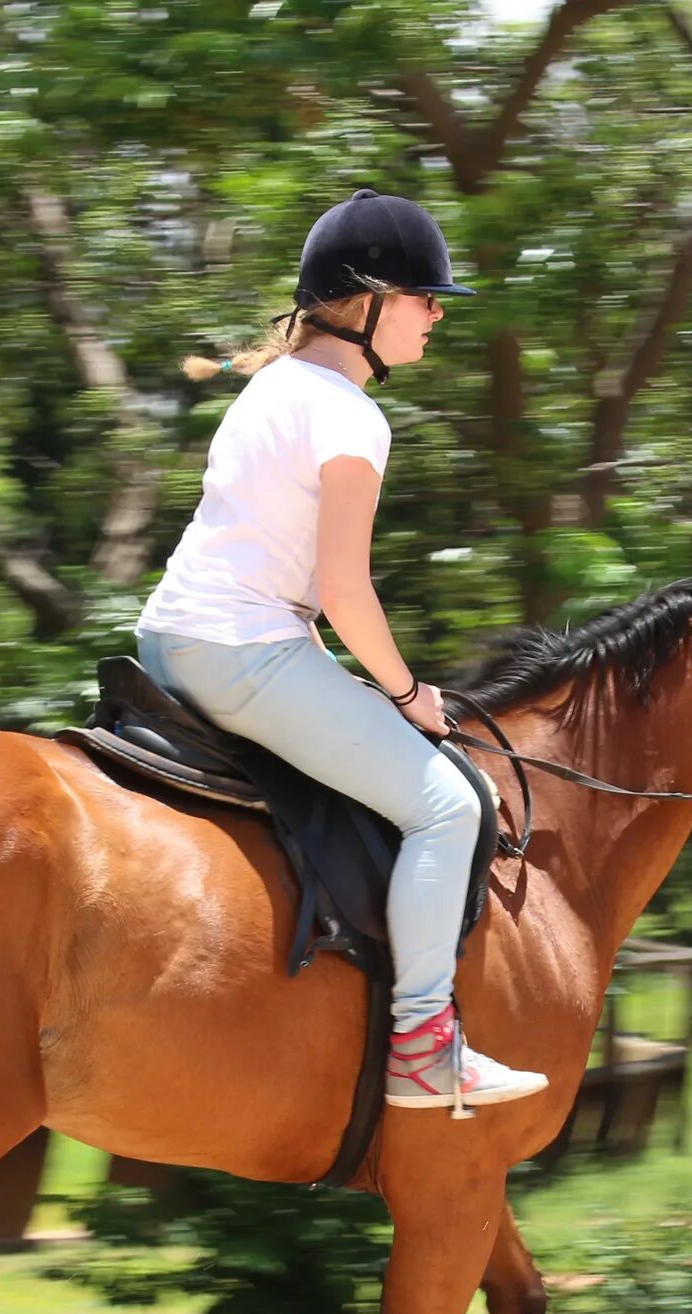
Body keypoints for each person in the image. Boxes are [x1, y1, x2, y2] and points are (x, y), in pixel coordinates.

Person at [137, 190, 547, 1115]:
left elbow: (278, 567)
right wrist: (405, 694)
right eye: (424, 296)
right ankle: (424, 1045)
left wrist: (339, 663)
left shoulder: (274, 385)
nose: (437, 313)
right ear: (366, 302)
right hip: (242, 654)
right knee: (449, 804)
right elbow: (344, 588)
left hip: (172, 638)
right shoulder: (350, 416)